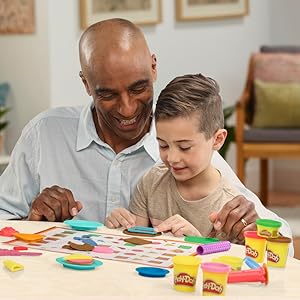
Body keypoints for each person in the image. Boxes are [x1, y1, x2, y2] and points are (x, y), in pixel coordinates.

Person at [0, 18, 293, 254]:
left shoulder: (189, 150)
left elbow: (283, 239)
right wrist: (32, 219)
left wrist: (250, 223)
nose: (127, 108)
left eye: (138, 88)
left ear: (153, 67)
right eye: (108, 94)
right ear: (86, 84)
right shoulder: (45, 134)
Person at [106, 73, 244, 239]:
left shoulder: (231, 208)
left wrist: (195, 241)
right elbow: (134, 242)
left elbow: (234, 262)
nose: (172, 158)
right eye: (163, 145)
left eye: (184, 147)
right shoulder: (151, 183)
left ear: (217, 139)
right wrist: (120, 229)